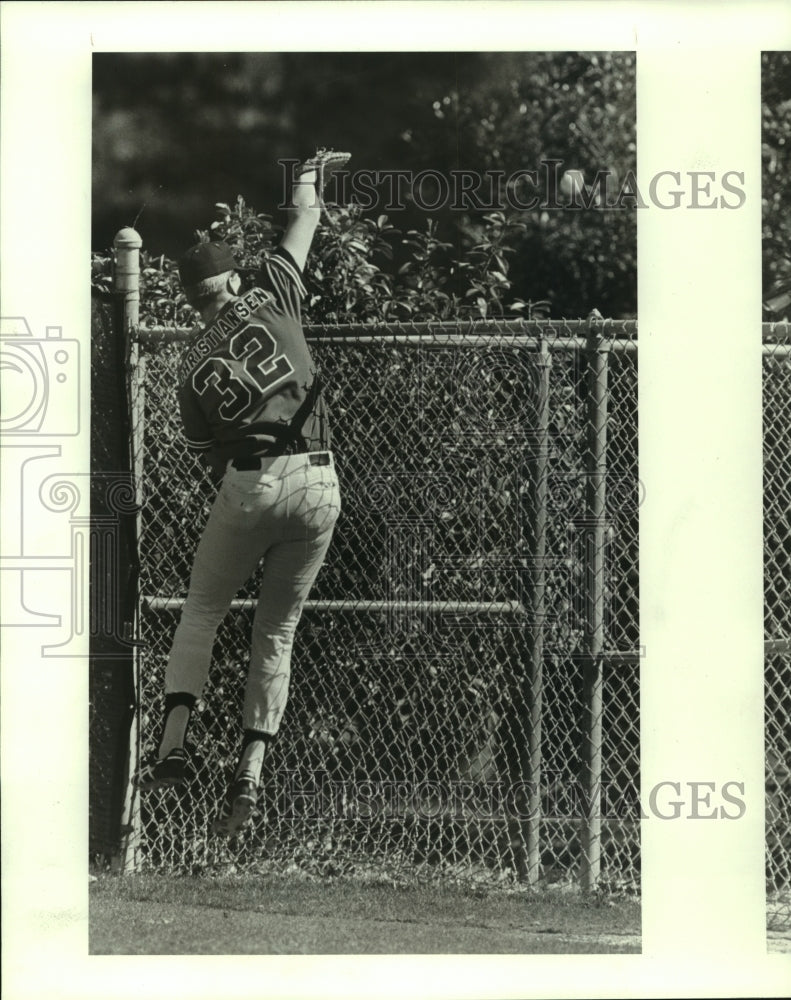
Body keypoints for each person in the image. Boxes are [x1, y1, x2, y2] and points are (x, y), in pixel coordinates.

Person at [136, 156, 341, 837]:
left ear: (193, 295)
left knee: (200, 615)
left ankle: (171, 745)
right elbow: (305, 214)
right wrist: (308, 171)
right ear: (232, 278)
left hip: (249, 480)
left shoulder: (191, 366)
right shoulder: (274, 290)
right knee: (275, 631)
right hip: (318, 478)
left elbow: (204, 457)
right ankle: (250, 773)